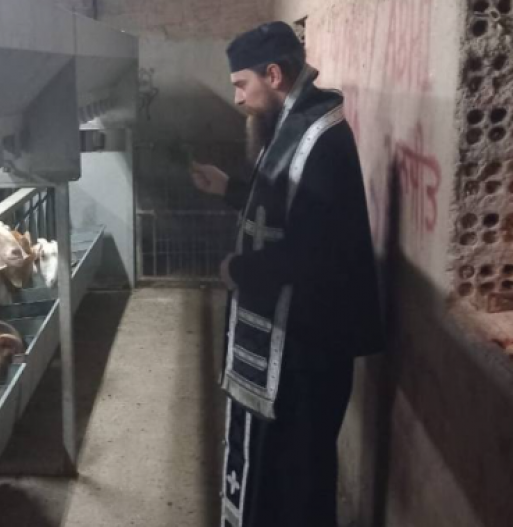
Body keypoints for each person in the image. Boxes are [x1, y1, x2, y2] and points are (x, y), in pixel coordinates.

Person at [189, 22, 386, 527]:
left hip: (310, 347)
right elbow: (286, 209)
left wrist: (239, 270)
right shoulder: (298, 123)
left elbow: (315, 251)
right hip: (297, 336)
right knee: (283, 469)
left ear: (273, 75)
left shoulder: (322, 138)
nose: (238, 98)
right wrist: (229, 188)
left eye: (242, 84)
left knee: (301, 476)